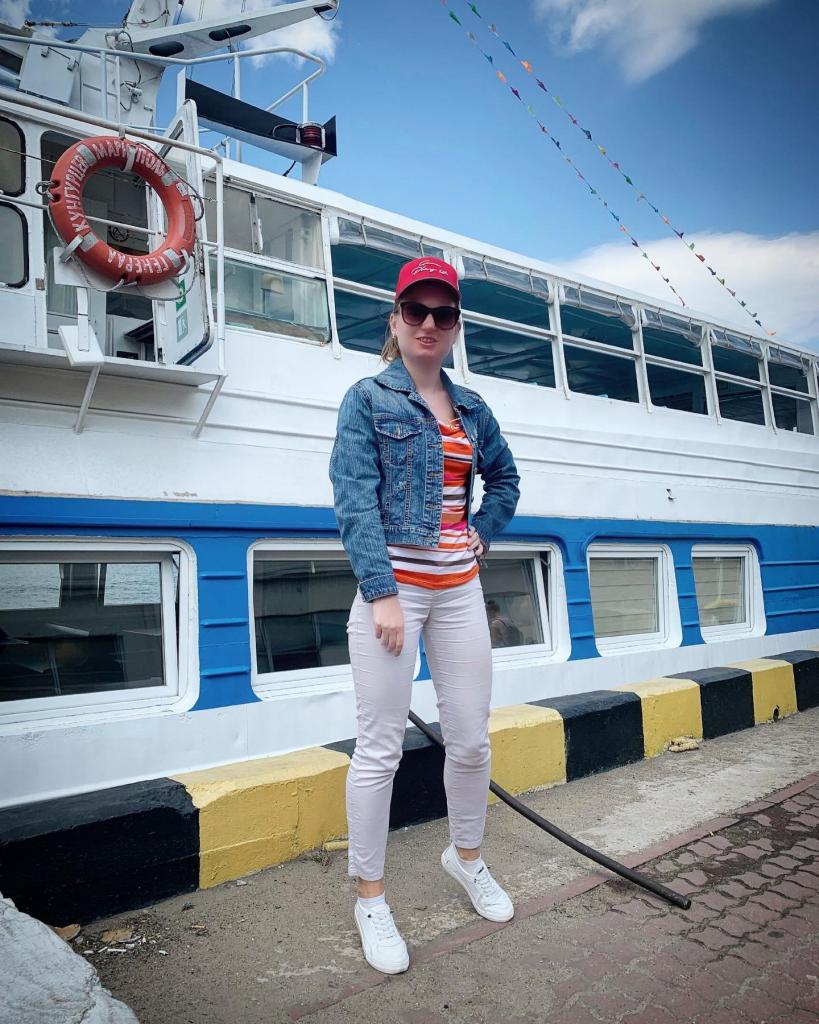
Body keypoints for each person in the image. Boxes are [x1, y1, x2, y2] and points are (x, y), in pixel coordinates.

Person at [329, 256, 521, 975]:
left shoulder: (472, 408)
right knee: (379, 748)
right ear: (396, 320)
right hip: (396, 593)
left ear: (456, 326)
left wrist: (483, 532)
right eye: (416, 311)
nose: (429, 324)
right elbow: (353, 497)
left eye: (443, 314)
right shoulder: (366, 399)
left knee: (469, 741)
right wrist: (380, 591)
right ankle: (370, 897)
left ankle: (466, 858)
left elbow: (504, 480)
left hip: (460, 590)